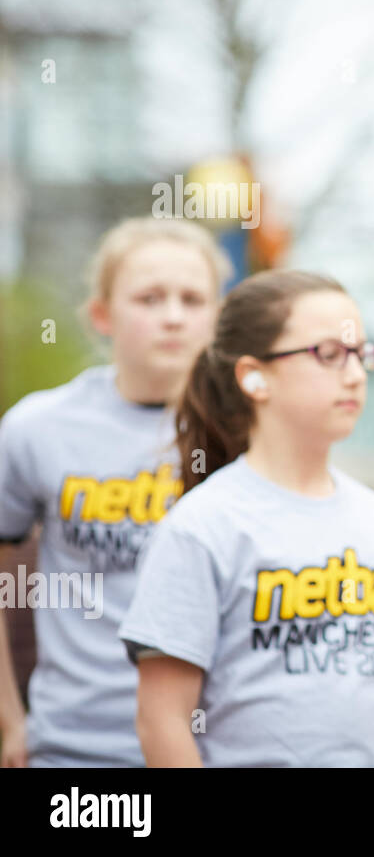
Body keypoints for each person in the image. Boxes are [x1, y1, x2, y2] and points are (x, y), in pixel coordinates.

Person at [117, 270, 374, 766]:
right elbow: (163, 721)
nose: (354, 374)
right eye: (328, 354)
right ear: (253, 376)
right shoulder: (206, 523)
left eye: (361, 354)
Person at [0, 217, 227, 767]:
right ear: (102, 314)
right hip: (73, 752)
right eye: (149, 298)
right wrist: (11, 720)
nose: (172, 316)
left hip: (213, 748)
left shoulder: (246, 435)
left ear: (218, 316)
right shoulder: (39, 427)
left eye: (192, 299)